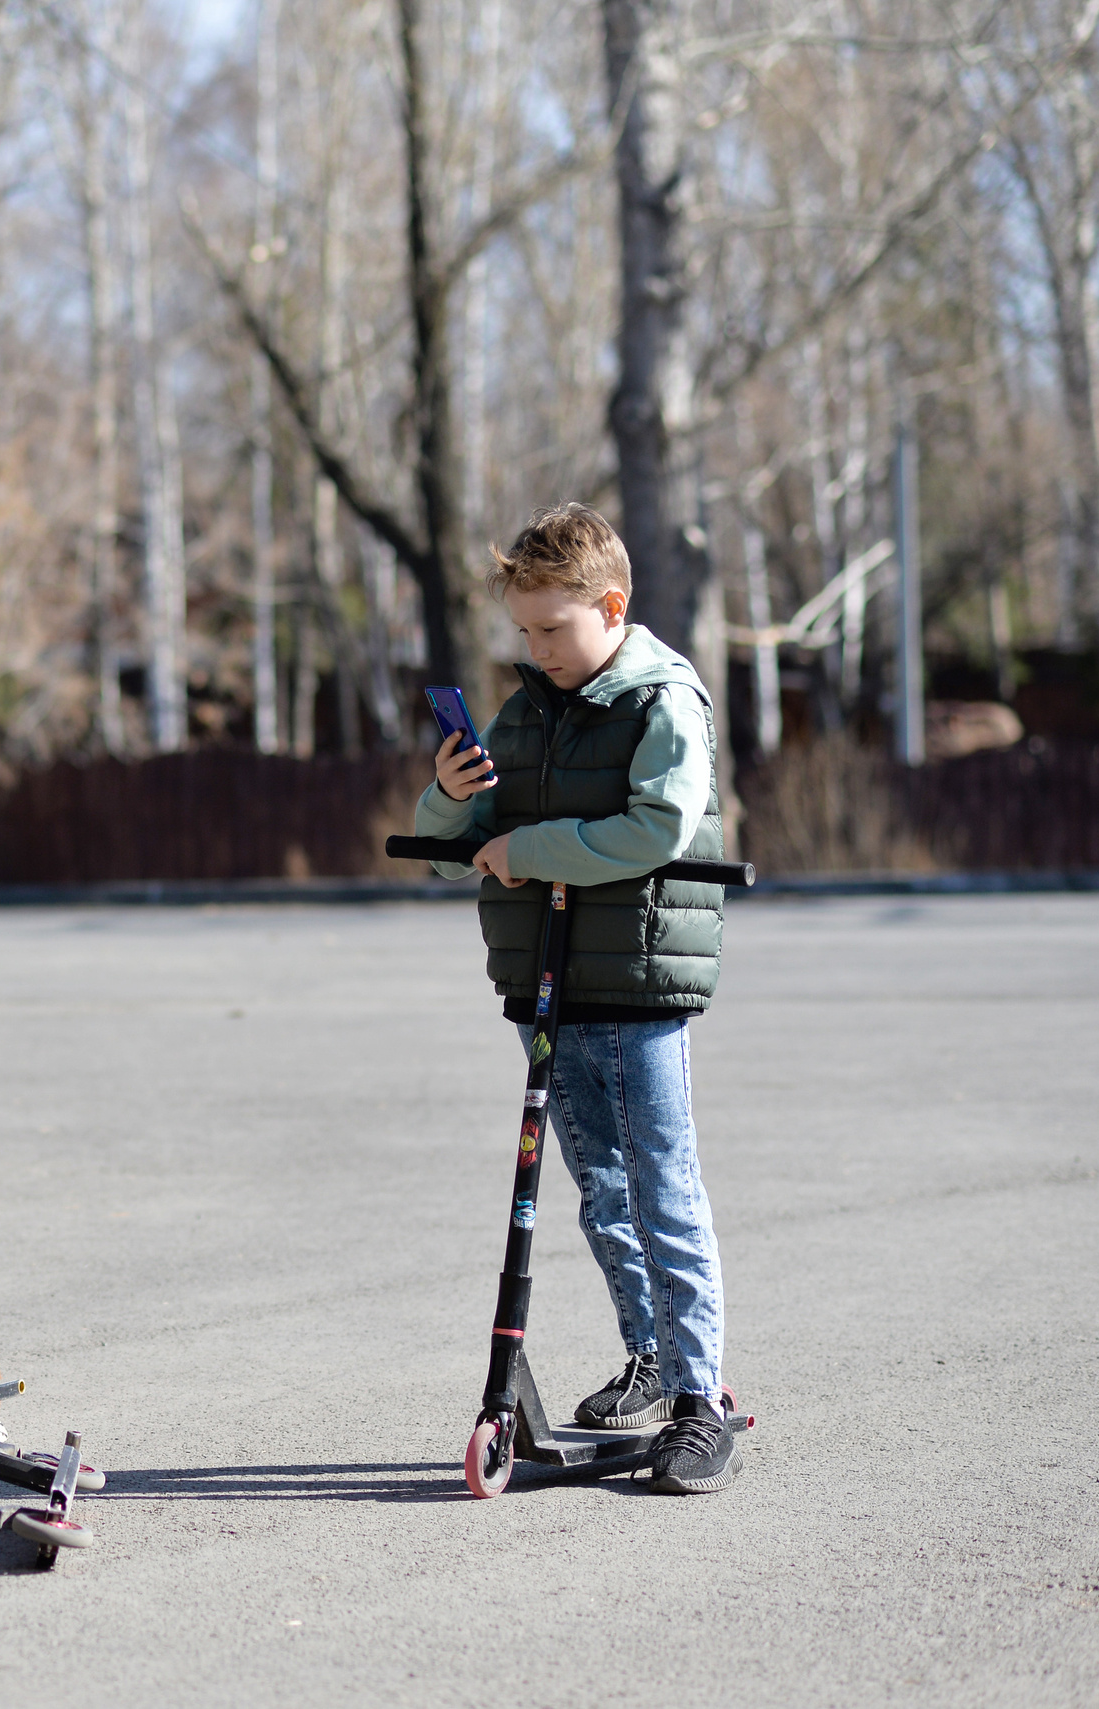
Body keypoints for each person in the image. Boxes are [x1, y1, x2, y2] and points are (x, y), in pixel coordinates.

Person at [412, 502, 742, 1494]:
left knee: (661, 1185)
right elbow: (452, 853)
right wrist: (450, 795)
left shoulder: (663, 701)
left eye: (552, 627)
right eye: (523, 629)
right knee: (602, 1188)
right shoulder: (525, 711)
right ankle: (648, 1359)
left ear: (612, 604)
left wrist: (532, 847)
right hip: (545, 984)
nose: (537, 648)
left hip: (636, 980)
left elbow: (656, 828)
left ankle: (699, 1395)